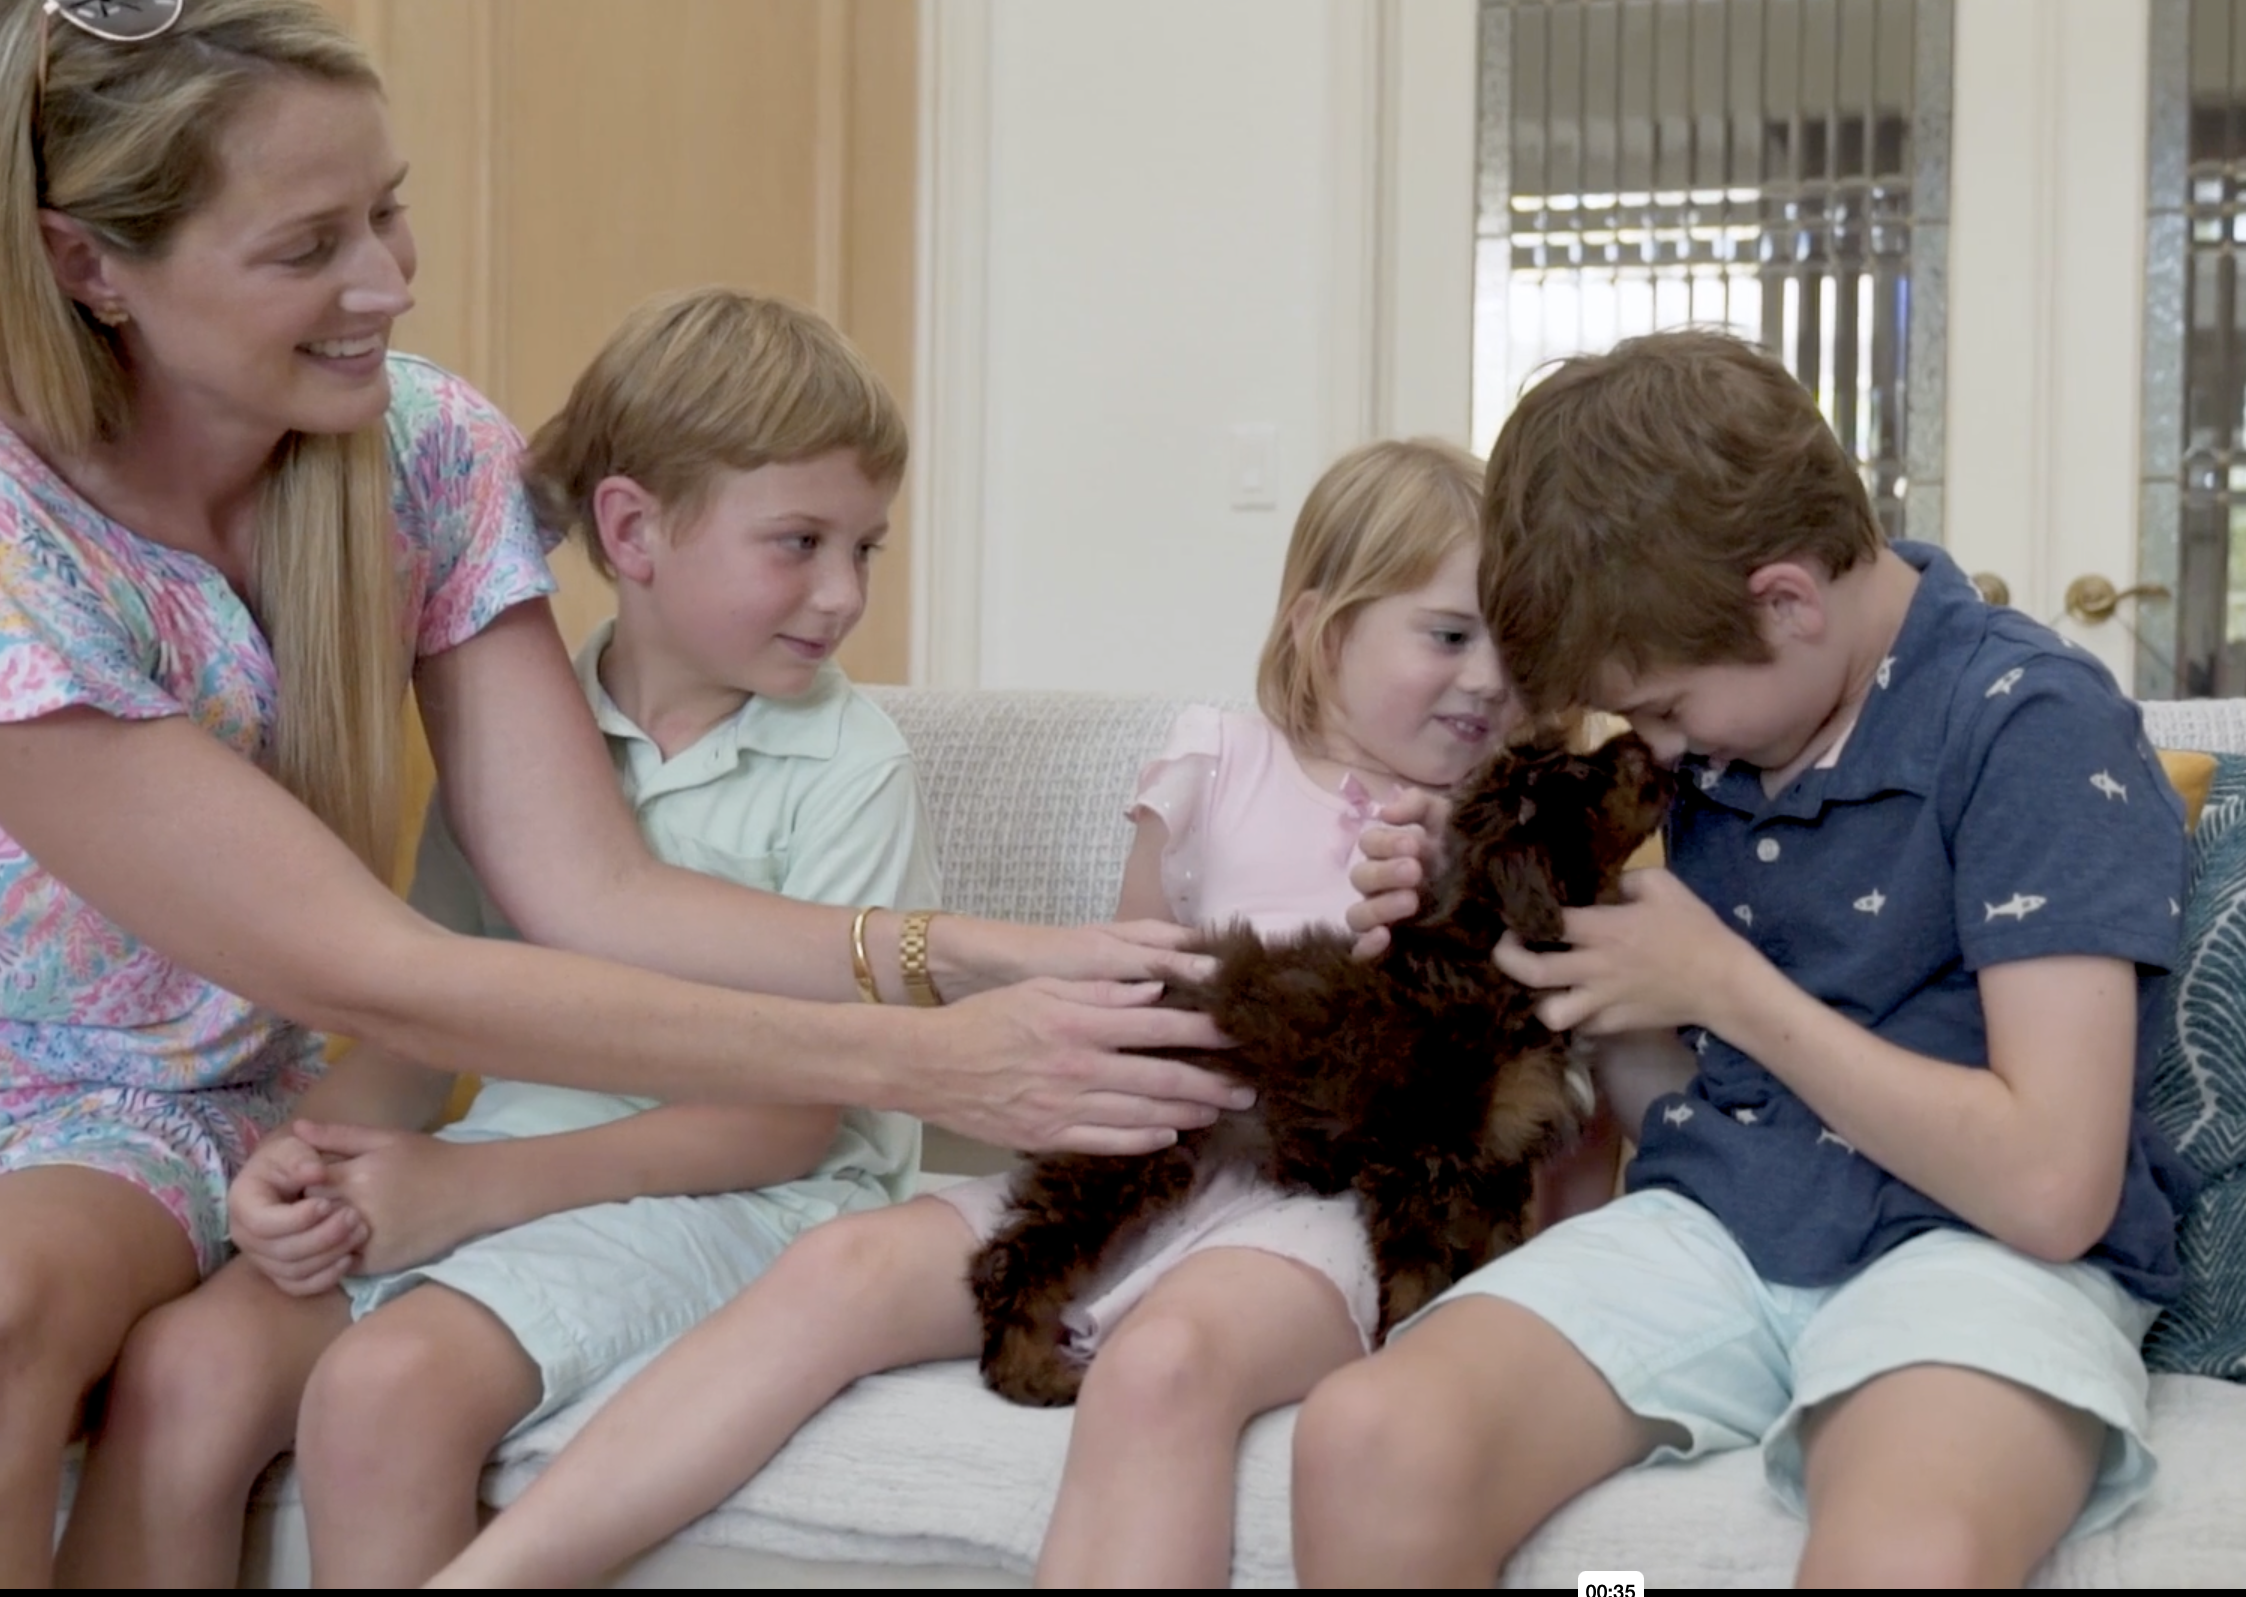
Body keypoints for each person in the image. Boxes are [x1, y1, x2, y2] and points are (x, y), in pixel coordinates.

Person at [0, 3, 1233, 1584]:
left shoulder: (424, 450)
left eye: (387, 209)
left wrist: (981, 953)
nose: (385, 281)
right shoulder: (27, 546)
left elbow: (591, 892)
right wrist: (929, 1055)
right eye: (308, 244)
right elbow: (391, 971)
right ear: (88, 263)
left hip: (224, 1100)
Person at [427, 437, 1511, 1589]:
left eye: (1516, 643)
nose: (1488, 677)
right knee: (836, 1269)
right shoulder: (1211, 764)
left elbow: (1526, 1085)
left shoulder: (1506, 834)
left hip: (1327, 1211)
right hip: (1148, 1165)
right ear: (1320, 626)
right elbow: (1127, 993)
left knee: (1165, 1362)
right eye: (1448, 635)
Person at [62, 283, 949, 1585]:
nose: (840, 594)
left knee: (389, 1390)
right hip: (517, 1157)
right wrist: (301, 1167)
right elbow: (421, 1032)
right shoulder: (521, 728)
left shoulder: (850, 766)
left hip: (761, 1194)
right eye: (799, 541)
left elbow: (788, 1122)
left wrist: (467, 1191)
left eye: (865, 548)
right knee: (186, 1364)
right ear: (633, 530)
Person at [1294, 328, 2200, 1587]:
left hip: (1978, 1253)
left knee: (1899, 1547)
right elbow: (1671, 1102)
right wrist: (1551, 950)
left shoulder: (2029, 724)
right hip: (1717, 1222)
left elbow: (2052, 1186)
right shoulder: (1740, 724)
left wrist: (1725, 985)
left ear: (1784, 599)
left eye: (1660, 705)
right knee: (1365, 1435)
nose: (1655, 743)